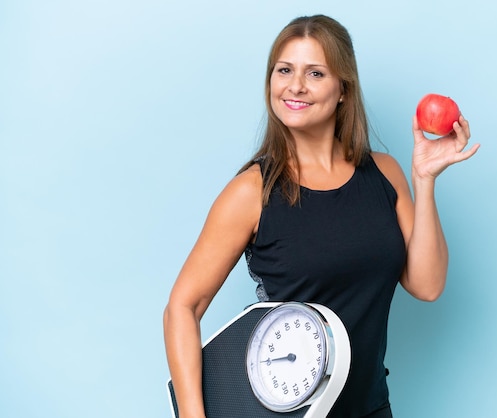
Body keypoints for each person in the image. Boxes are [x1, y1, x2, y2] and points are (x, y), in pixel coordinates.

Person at [163, 14, 479, 418]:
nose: (296, 85)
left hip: (371, 409)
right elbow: (182, 308)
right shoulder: (252, 191)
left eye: (315, 73)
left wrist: (425, 180)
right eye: (284, 70)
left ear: (343, 89)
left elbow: (428, 285)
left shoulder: (384, 173)